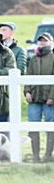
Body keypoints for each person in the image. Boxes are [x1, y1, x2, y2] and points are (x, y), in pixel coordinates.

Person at [24, 32, 54, 162]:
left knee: (50, 128)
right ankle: (35, 155)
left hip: (49, 99)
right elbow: (27, 75)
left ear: (50, 43)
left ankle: (48, 154)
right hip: (34, 98)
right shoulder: (33, 58)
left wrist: (52, 97)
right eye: (40, 41)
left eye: (45, 41)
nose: (42, 43)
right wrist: (27, 91)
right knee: (33, 126)